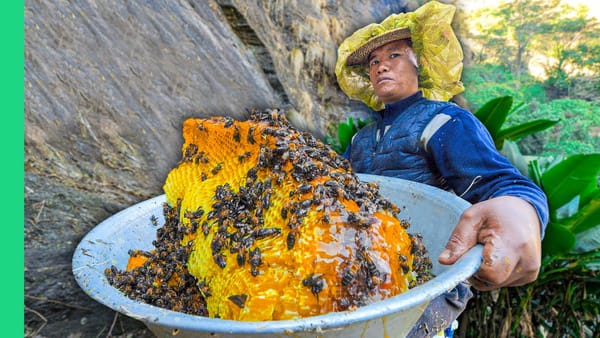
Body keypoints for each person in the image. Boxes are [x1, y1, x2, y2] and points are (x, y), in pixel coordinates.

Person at [334, 1, 549, 336]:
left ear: (421, 61)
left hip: (430, 278)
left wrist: (523, 211)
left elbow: (502, 183)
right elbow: (332, 189)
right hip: (364, 274)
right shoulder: (362, 139)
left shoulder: (444, 120)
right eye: (373, 62)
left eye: (394, 56)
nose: (380, 67)